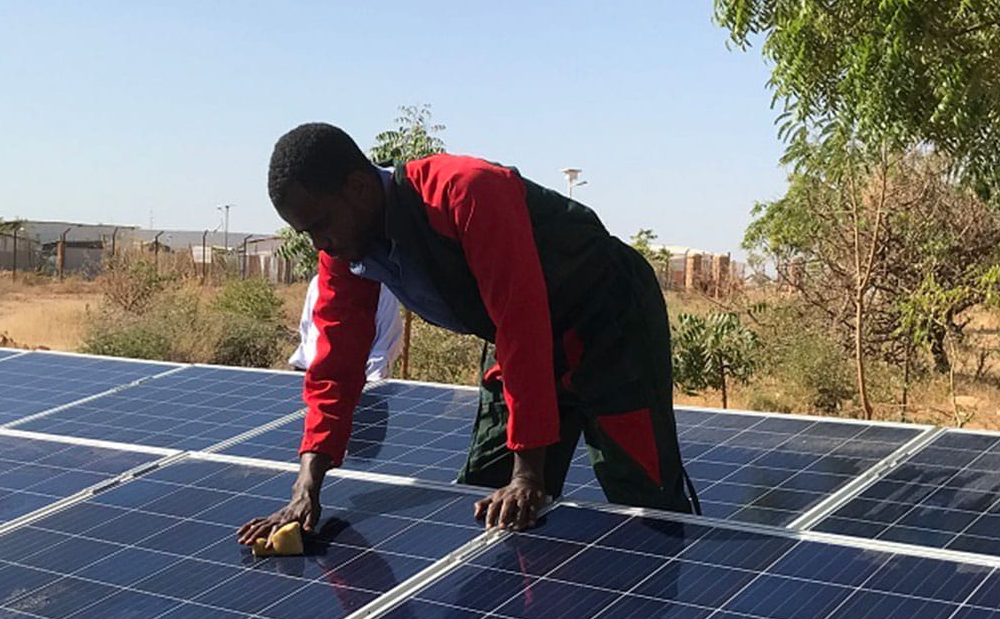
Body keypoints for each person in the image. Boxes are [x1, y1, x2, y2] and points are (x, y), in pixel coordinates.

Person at [238, 123, 697, 539]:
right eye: (306, 233)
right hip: (516, 334)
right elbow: (334, 366)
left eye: (320, 224)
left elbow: (523, 321)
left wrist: (529, 476)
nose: (319, 243)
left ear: (358, 188)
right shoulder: (345, 252)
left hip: (609, 326)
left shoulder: (465, 192)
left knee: (645, 499)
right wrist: (305, 488)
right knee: (488, 499)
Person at [289, 271, 403, 381]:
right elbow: (307, 333)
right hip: (312, 378)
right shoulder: (319, 282)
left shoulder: (382, 289)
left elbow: (383, 345)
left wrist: (372, 387)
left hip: (358, 383)